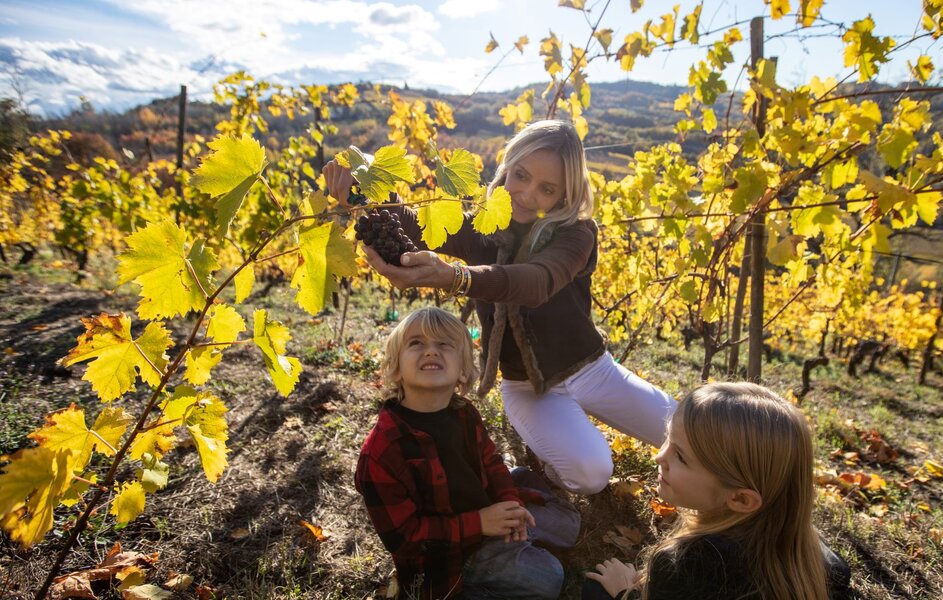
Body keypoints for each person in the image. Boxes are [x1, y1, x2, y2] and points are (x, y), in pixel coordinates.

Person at [327, 119, 676, 495]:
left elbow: (537, 281)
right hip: (527, 388)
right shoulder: (485, 225)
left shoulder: (576, 233)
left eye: (547, 189)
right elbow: (415, 226)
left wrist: (456, 278)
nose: (526, 194)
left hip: (594, 370)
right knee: (591, 474)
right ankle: (551, 460)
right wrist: (362, 186)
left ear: (564, 195)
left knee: (690, 430)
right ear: (507, 167)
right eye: (520, 175)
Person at [354, 307, 579, 600]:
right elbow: (406, 539)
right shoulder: (383, 451)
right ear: (395, 368)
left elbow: (491, 460)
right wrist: (481, 523)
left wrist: (509, 501)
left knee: (568, 523)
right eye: (416, 343)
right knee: (547, 578)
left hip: (489, 512)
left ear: (462, 369)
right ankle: (488, 573)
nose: (431, 352)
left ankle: (517, 536)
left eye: (444, 345)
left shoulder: (464, 414)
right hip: (456, 553)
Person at [582, 382, 852, 600]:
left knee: (595, 590)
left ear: (740, 498)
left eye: (682, 457)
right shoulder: (818, 557)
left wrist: (623, 592)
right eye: (668, 439)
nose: (659, 457)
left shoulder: (685, 564)